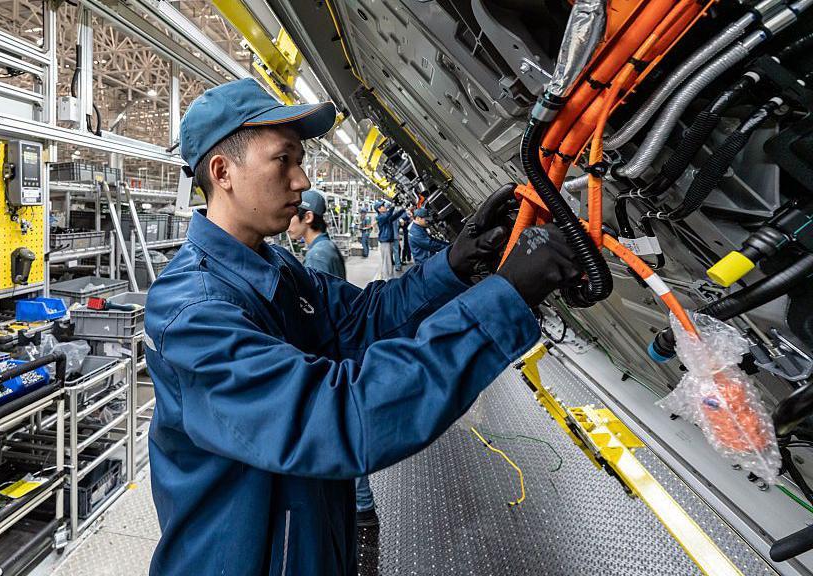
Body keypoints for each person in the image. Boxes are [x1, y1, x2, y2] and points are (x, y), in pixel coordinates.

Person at [144, 77, 583, 576]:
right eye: (282, 159)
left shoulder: (278, 271)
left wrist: (455, 263)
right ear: (223, 172)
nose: (302, 180)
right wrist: (502, 301)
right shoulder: (192, 313)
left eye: (300, 160)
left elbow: (362, 318)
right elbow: (335, 417)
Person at [288, 189, 381, 524]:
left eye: (293, 217)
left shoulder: (317, 257)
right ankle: (361, 504)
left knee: (342, 432)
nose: (288, 225)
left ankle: (361, 507)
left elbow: (315, 314)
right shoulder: (324, 248)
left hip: (332, 353)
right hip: (340, 350)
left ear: (308, 217)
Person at [287, 189, 347, 280]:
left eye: (290, 216)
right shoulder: (327, 246)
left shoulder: (316, 256)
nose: (286, 223)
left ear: (308, 217)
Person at [375, 200, 406, 279]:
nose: (384, 207)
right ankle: (387, 279)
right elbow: (389, 214)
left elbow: (394, 216)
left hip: (389, 240)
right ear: (379, 209)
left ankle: (388, 277)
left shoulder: (385, 217)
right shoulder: (380, 217)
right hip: (385, 242)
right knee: (387, 261)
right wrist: (393, 206)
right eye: (382, 206)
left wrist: (403, 210)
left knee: (388, 261)